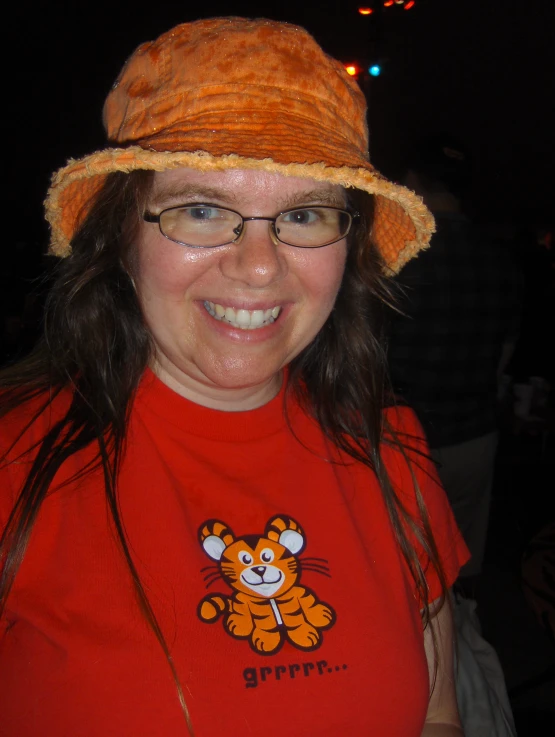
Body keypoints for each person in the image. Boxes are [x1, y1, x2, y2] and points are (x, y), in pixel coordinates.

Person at [0, 18, 468, 737]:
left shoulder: (393, 454)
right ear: (120, 237)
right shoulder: (14, 459)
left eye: (304, 213)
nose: (257, 266)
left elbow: (435, 715)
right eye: (200, 209)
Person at [387, 136, 522, 581]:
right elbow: (506, 351)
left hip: (403, 436)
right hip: (474, 436)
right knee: (459, 575)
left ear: (412, 182)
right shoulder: (501, 258)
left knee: (402, 568)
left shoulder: (397, 253)